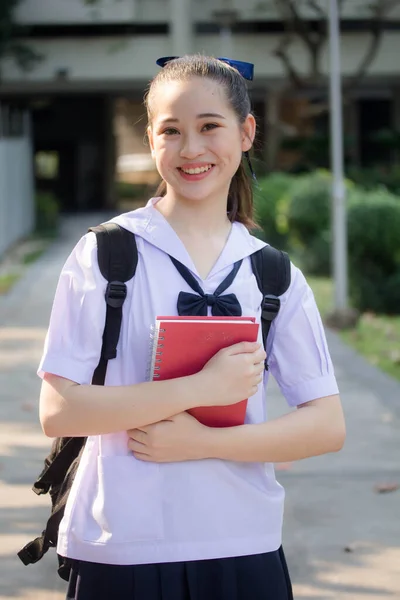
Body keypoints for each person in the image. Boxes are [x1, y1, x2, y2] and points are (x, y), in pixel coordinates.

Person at [38, 54, 346, 600]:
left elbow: (325, 425)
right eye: (171, 131)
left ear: (247, 131)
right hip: (121, 544)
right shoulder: (107, 254)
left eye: (210, 127)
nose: (191, 149)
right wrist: (201, 389)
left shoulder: (272, 274)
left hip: (242, 544)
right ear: (152, 141)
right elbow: (60, 410)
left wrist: (202, 442)